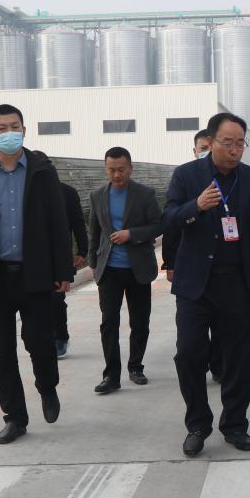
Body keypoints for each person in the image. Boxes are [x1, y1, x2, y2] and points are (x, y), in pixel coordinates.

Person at [163, 112, 250, 457]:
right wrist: (196, 206)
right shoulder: (187, 176)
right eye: (227, 142)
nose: (234, 149)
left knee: (238, 359)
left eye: (240, 143)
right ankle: (198, 424)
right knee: (188, 354)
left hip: (239, 285)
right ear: (211, 142)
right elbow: (169, 218)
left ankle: (235, 425)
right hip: (196, 285)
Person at [0, 104, 73, 445]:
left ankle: (47, 386)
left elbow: (58, 223)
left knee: (40, 342)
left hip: (35, 274)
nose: (9, 133)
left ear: (24, 130)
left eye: (14, 126)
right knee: (1, 352)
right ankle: (15, 418)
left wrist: (63, 269)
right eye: (2, 128)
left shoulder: (42, 172)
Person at [87, 146, 164, 393]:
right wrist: (93, 262)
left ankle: (135, 367)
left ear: (131, 168)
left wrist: (131, 234)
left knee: (139, 322)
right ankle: (111, 376)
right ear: (106, 169)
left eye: (121, 169)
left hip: (137, 268)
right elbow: (94, 232)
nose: (117, 175)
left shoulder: (145, 194)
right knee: (108, 322)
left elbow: (158, 226)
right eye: (111, 170)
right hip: (109, 269)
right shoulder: (98, 195)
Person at [162, 129, 222, 383]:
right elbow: (170, 222)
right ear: (195, 150)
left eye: (210, 146)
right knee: (189, 345)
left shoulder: (237, 176)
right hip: (191, 273)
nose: (206, 152)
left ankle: (219, 365)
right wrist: (170, 262)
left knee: (224, 337)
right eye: (202, 148)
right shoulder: (184, 176)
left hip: (226, 275)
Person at [53, 181, 89, 359]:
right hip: (29, 257)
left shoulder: (67, 192)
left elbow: (77, 222)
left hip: (58, 255)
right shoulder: (22, 190)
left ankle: (60, 338)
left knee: (56, 299)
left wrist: (82, 250)